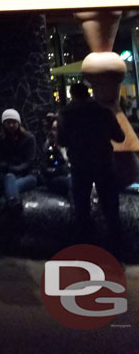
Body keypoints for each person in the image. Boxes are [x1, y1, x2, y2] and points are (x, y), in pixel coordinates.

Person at [58, 81, 125, 249]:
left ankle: (86, 249)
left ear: (72, 95)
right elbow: (120, 137)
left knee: (81, 208)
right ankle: (115, 252)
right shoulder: (104, 111)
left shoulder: (66, 114)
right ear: (88, 93)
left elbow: (62, 140)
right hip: (104, 164)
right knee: (111, 209)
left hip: (80, 166)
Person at [0, 108, 37, 213]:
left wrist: (12, 168)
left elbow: (30, 161)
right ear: (4, 124)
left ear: (18, 123)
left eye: (14, 122)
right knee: (9, 178)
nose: (11, 125)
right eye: (8, 122)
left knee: (10, 184)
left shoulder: (29, 138)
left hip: (27, 175)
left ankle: (2, 203)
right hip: (9, 175)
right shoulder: (0, 140)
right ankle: (14, 203)